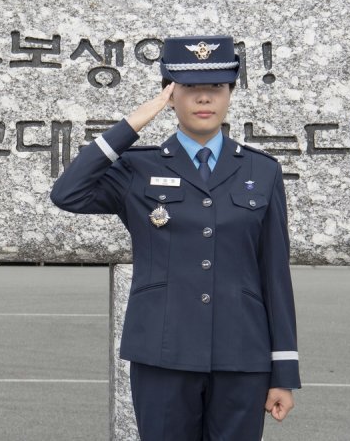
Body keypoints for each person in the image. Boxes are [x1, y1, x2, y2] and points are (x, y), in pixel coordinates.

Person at [50, 35, 300, 440]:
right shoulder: (137, 168)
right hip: (162, 352)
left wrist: (283, 371)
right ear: (170, 94)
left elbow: (274, 275)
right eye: (190, 88)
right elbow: (67, 193)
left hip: (242, 354)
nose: (204, 99)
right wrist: (134, 122)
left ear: (230, 94)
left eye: (216, 88)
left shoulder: (261, 170)